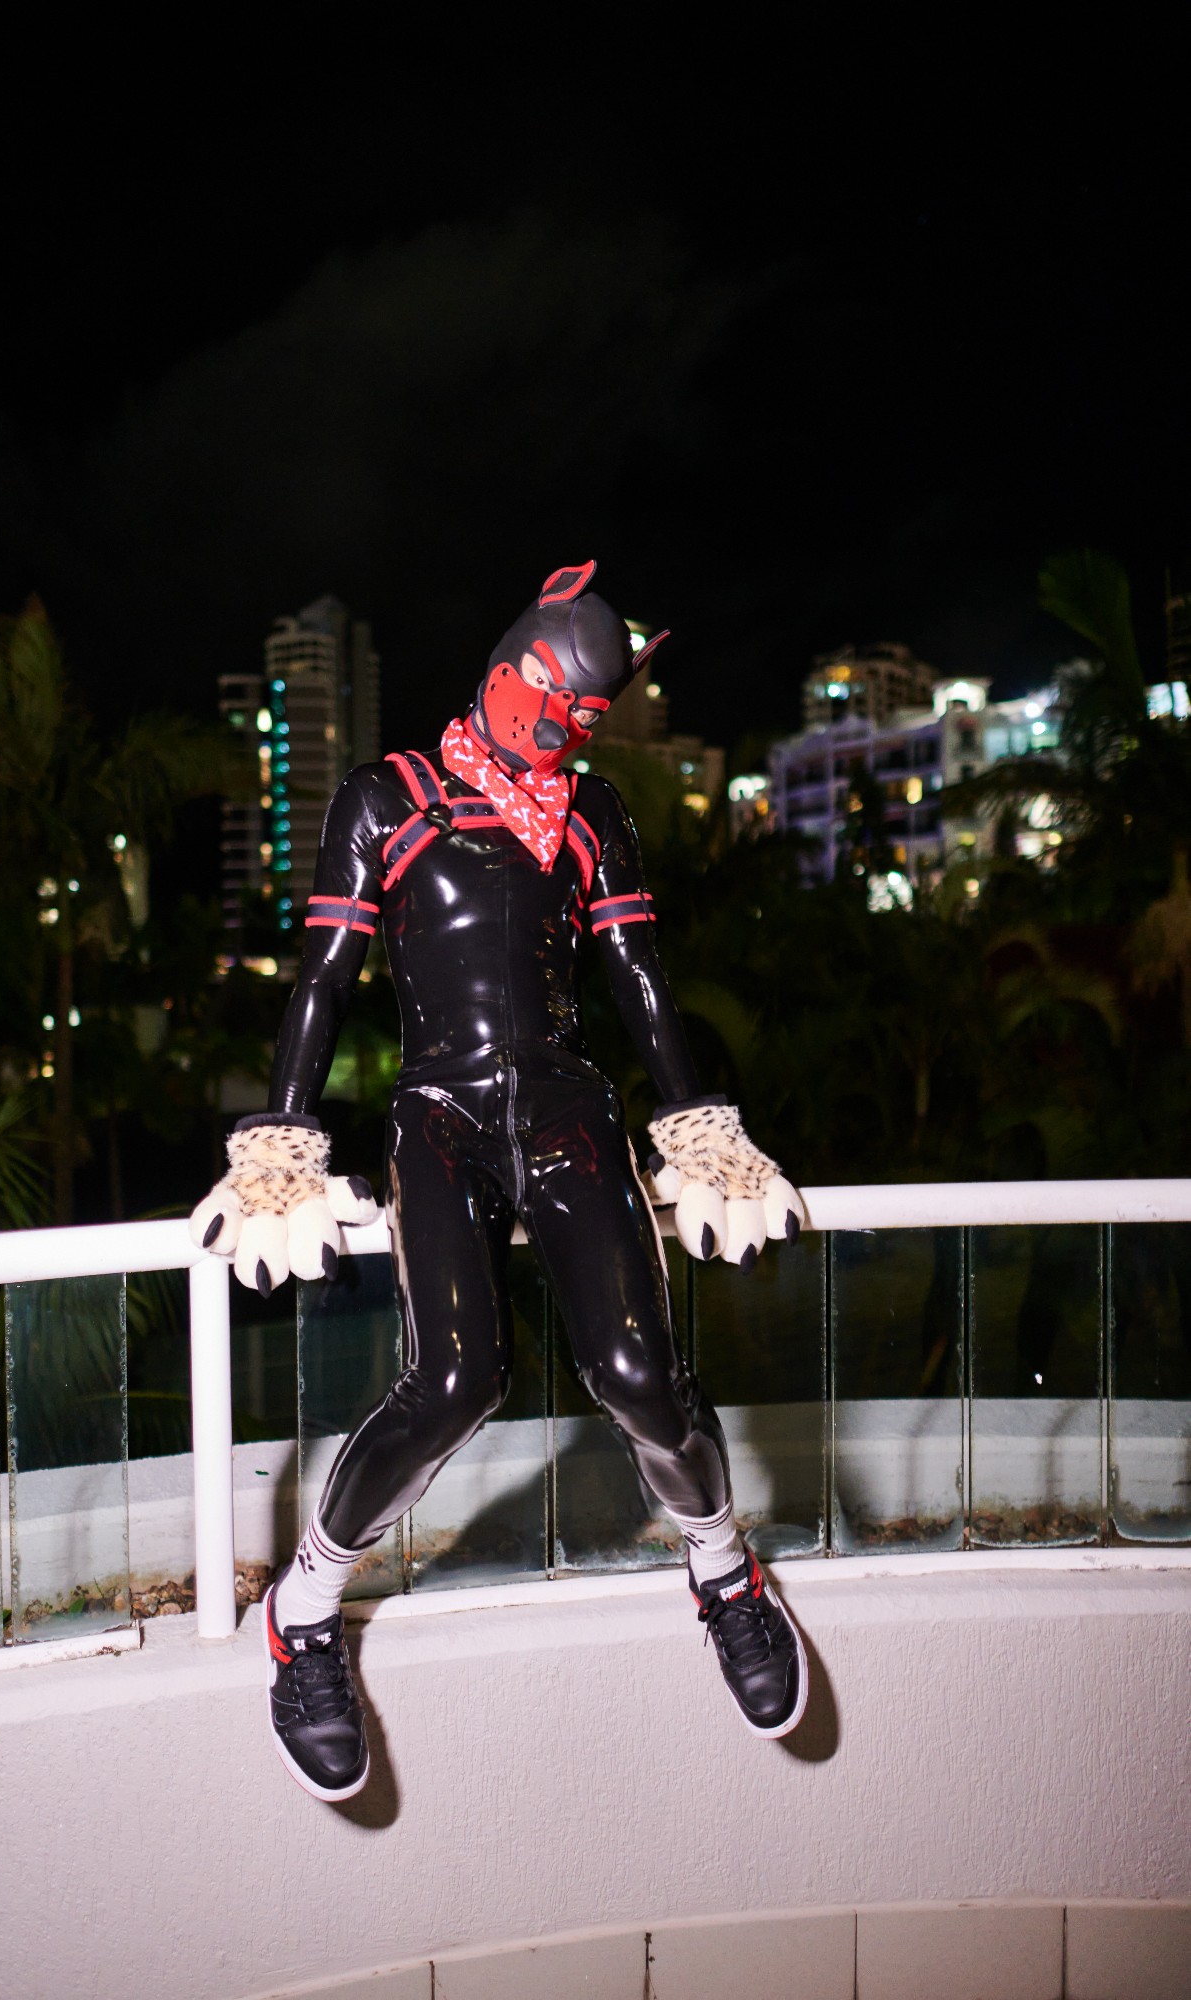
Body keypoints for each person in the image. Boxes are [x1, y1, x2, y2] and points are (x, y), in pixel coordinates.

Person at [190, 562, 808, 1801]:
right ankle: (304, 1612)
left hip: (569, 1108)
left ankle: (722, 1567)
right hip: (439, 1112)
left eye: (586, 711)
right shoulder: (388, 796)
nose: (561, 727)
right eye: (550, 697)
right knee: (454, 1377)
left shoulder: (593, 812)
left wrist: (695, 1121)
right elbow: (323, 976)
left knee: (641, 1373)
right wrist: (281, 1134)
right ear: (507, 664)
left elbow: (637, 974)